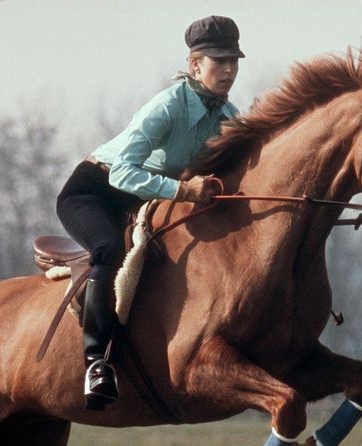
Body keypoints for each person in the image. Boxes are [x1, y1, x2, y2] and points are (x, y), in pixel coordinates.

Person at [56, 15, 244, 410]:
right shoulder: (168, 106)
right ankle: (96, 363)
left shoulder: (229, 117)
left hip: (143, 201)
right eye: (219, 61)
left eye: (234, 61)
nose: (228, 69)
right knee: (108, 247)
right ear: (195, 65)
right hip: (95, 191)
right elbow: (123, 172)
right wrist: (183, 190)